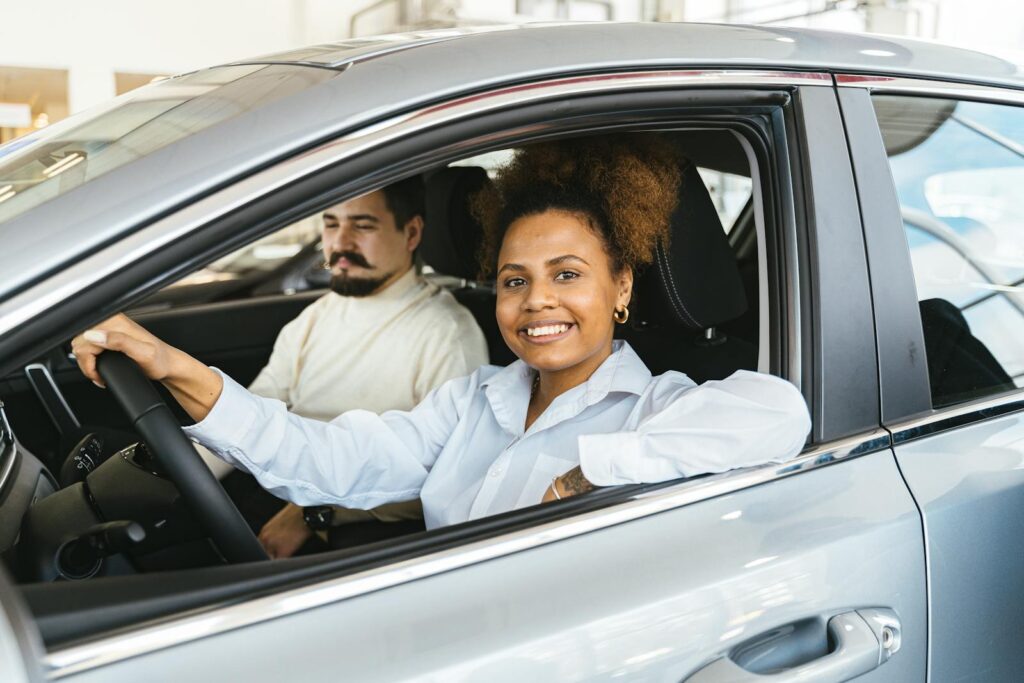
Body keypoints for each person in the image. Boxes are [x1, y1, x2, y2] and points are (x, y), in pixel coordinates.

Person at [72, 135, 811, 532]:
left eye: (567, 274)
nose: (535, 302)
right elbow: (327, 457)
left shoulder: (660, 408)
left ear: (620, 287)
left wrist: (589, 473)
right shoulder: (474, 400)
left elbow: (783, 415)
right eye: (515, 280)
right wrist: (171, 365)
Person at [222, 179, 489, 557]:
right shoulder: (319, 315)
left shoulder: (447, 334)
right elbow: (252, 410)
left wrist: (314, 513)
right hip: (279, 487)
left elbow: (449, 478)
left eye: (363, 226)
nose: (340, 243)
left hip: (355, 530)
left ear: (411, 233)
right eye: (332, 224)